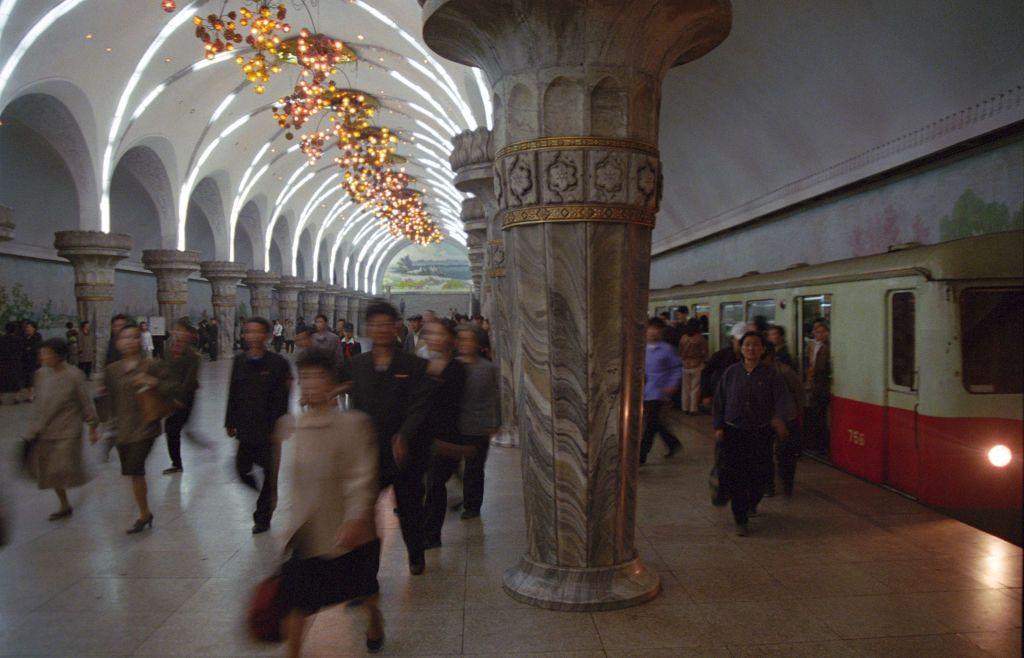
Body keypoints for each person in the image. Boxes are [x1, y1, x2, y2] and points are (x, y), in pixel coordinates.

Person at [276, 349, 383, 657]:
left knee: (363, 590)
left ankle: (374, 619)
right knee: (298, 603)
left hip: (350, 531)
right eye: (304, 377)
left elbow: (362, 476)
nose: (309, 384)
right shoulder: (294, 426)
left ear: (334, 384)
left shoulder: (354, 424)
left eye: (317, 377)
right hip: (309, 532)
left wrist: (355, 519)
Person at [341, 301, 434, 575]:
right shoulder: (357, 365)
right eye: (375, 324)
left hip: (405, 453)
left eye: (386, 324)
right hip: (370, 454)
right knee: (366, 512)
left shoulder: (414, 365)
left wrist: (404, 435)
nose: (381, 330)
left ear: (395, 327)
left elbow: (420, 406)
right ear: (368, 328)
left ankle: (416, 555)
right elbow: (341, 388)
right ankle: (366, 575)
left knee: (409, 510)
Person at [712, 331, 793, 536]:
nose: (751, 349)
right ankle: (740, 518)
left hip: (761, 432)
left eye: (755, 345)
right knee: (737, 475)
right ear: (741, 348)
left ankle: (752, 501)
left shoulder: (771, 374)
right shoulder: (731, 372)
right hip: (734, 431)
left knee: (760, 474)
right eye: (747, 345)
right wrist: (718, 426)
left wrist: (779, 419)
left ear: (763, 350)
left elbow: (782, 400)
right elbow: (719, 400)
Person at [101, 322, 175, 534]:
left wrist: (154, 382)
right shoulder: (112, 370)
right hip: (123, 429)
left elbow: (173, 388)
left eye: (134, 337)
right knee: (133, 473)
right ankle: (145, 512)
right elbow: (109, 400)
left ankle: (143, 514)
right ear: (117, 342)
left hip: (146, 427)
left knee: (135, 467)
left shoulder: (152, 365)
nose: (130, 342)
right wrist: (102, 425)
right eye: (125, 338)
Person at [225, 317, 292, 534]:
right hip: (246, 427)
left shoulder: (278, 363)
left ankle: (263, 517)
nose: (252, 336)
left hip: (269, 430)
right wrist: (230, 421)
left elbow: (284, 397)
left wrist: (279, 426)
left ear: (267, 336)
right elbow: (233, 392)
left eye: (257, 332)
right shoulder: (239, 361)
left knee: (269, 475)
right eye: (248, 332)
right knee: (242, 469)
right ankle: (261, 493)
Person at [26, 338, 98, 520]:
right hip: (46, 429)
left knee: (63, 466)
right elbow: (39, 403)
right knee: (50, 471)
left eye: (48, 353)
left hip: (68, 428)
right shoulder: (41, 375)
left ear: (59, 355)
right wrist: (34, 426)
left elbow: (85, 402)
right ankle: (64, 504)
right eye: (43, 353)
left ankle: (81, 486)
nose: (44, 357)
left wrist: (92, 426)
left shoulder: (74, 375)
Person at [421, 320, 469, 548]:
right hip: (426, 436)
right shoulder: (424, 364)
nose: (432, 338)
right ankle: (428, 530)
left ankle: (432, 534)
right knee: (429, 485)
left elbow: (453, 406)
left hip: (446, 437)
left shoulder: (457, 369)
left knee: (435, 485)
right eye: (430, 333)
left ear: (450, 339)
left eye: (438, 334)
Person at [453, 324, 500, 520]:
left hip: (478, 426)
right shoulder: (452, 366)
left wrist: (495, 422)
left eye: (469, 340)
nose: (466, 344)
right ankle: (461, 496)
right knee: (454, 466)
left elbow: (494, 397)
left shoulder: (487, 368)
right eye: (462, 339)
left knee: (474, 468)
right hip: (455, 425)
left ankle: (472, 505)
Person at [640, 317, 683, 464]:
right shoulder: (641, 349)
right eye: (650, 328)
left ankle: (641, 455)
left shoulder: (667, 350)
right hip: (644, 392)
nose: (652, 332)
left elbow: (677, 369)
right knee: (655, 422)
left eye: (655, 329)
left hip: (659, 392)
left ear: (660, 331)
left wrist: (672, 385)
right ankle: (672, 442)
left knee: (650, 424)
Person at [162, 319, 202, 475]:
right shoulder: (170, 349)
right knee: (174, 428)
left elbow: (189, 380)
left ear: (188, 333)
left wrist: (181, 399)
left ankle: (177, 463)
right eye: (175, 329)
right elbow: (166, 371)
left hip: (184, 397)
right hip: (171, 394)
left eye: (180, 330)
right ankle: (177, 462)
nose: (177, 333)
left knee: (172, 427)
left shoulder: (193, 355)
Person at [766, 344, 804, 497]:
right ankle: (769, 486)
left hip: (787, 418)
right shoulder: (754, 372)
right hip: (765, 419)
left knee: (785, 455)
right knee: (765, 454)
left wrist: (795, 415)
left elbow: (798, 393)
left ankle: (787, 484)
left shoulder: (785, 371)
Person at [701, 322, 745, 408]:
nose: (742, 344)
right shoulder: (721, 355)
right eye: (739, 341)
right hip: (722, 396)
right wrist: (706, 394)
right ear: (732, 339)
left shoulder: (750, 359)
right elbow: (706, 372)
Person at [805, 318, 832, 455]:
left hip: (821, 387)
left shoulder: (827, 348)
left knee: (819, 417)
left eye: (822, 332)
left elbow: (822, 367)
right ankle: (815, 443)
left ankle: (820, 445)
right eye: (817, 332)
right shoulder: (814, 346)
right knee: (815, 416)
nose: (820, 335)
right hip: (814, 386)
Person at [678, 317, 708, 414]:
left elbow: (680, 350)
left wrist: (683, 360)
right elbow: (704, 352)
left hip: (685, 364)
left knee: (685, 388)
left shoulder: (683, 338)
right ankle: (693, 409)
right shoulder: (700, 338)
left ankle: (685, 408)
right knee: (695, 388)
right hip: (696, 364)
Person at [0, 321, 24, 405]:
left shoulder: (1, 339)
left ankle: (1, 398)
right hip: (15, 361)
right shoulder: (18, 339)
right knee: (16, 379)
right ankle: (16, 398)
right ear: (15, 330)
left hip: (3, 362)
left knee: (2, 380)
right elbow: (21, 351)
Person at [21, 320, 41, 402]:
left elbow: (36, 347)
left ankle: (32, 395)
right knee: (29, 378)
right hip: (26, 360)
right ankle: (31, 395)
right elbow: (24, 348)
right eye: (26, 327)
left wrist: (29, 349)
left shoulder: (37, 336)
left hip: (35, 360)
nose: (27, 329)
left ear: (34, 328)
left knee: (32, 378)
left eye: (29, 327)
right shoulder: (25, 337)